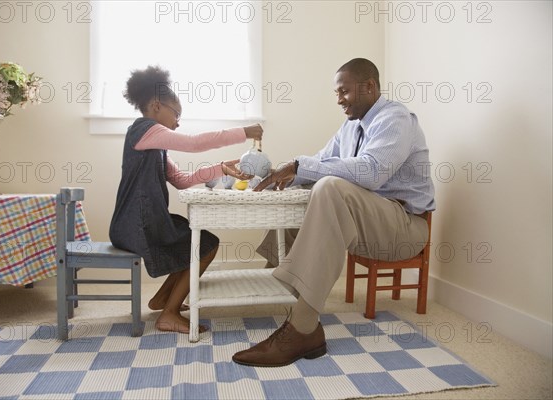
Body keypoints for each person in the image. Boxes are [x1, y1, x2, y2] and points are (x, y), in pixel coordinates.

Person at [232, 58, 436, 367]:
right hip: (366, 224)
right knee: (302, 191)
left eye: (344, 92)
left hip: (404, 229)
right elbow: (319, 162)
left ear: (369, 86)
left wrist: (300, 166)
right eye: (336, 93)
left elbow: (370, 173)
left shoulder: (396, 119)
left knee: (328, 187)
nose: (339, 100)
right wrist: (282, 174)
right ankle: (274, 290)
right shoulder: (350, 126)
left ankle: (303, 328)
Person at [109, 66, 263, 334]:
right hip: (137, 224)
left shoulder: (154, 142)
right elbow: (193, 143)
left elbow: (181, 179)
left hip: (139, 221)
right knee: (206, 245)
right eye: (176, 114)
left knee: (196, 241)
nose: (178, 122)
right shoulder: (143, 130)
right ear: (157, 106)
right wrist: (245, 131)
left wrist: (221, 168)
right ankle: (168, 314)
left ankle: (162, 300)